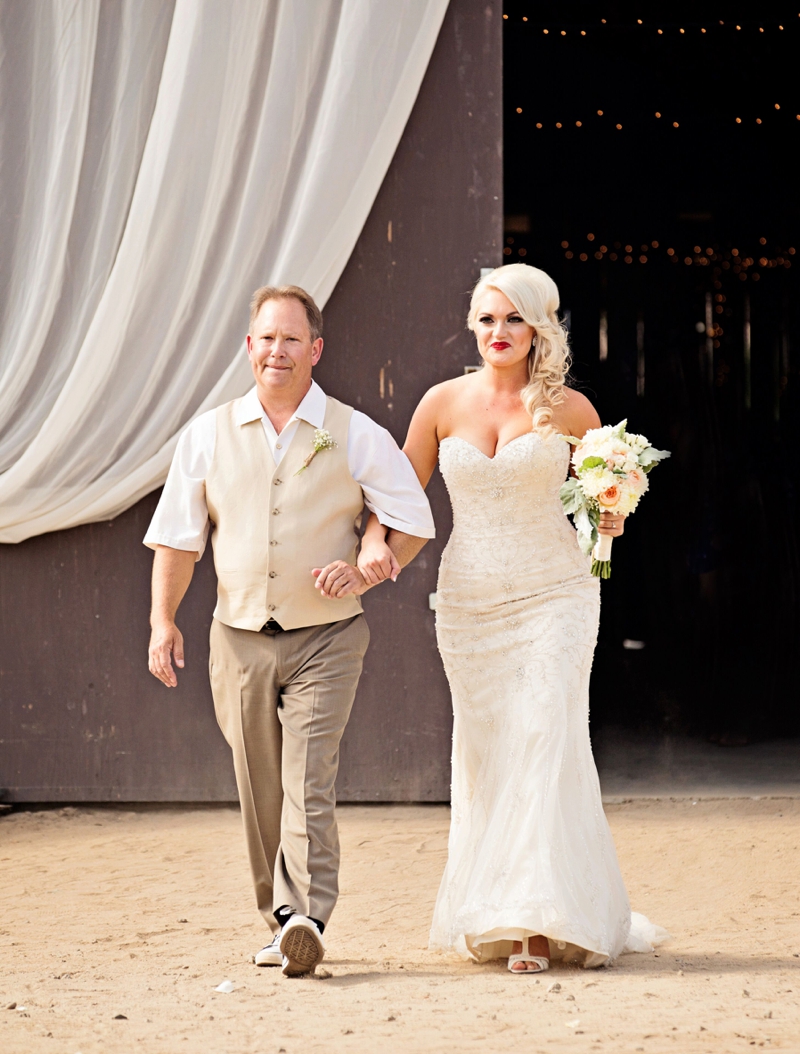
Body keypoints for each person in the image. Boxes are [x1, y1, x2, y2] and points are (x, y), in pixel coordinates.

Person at [358, 263, 666, 973]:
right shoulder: (440, 404)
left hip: (557, 594)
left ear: (539, 328)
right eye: (488, 319)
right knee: (490, 749)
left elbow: (599, 516)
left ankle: (534, 922)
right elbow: (401, 506)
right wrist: (376, 545)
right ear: (473, 325)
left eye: (514, 319)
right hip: (471, 602)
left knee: (544, 735)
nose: (500, 332)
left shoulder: (573, 412)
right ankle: (497, 907)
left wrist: (611, 513)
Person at [145, 284, 434, 976]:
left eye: (292, 339)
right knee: (260, 784)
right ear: (250, 348)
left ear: (316, 350)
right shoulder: (206, 435)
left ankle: (309, 915)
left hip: (328, 637)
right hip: (237, 634)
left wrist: (367, 570)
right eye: (266, 338)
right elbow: (178, 543)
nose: (278, 351)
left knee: (309, 777)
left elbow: (413, 523)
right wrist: (162, 622)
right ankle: (279, 918)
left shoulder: (354, 431)